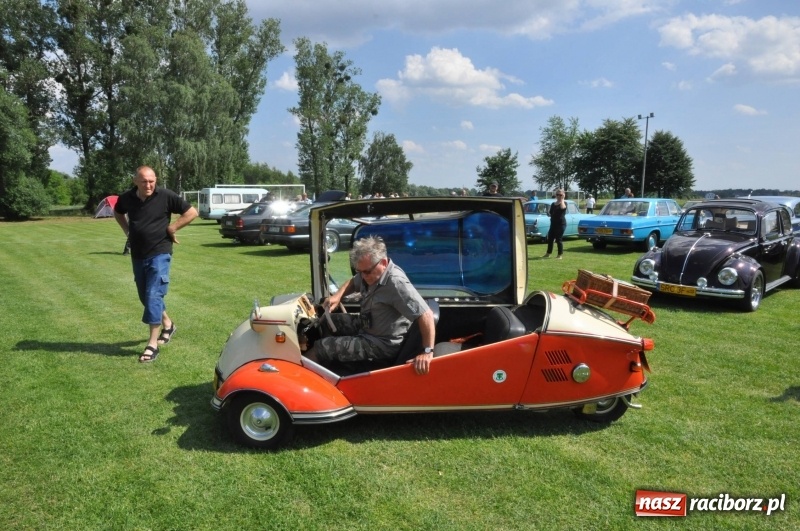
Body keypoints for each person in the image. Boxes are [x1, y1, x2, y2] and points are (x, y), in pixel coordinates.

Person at [304, 236, 437, 375]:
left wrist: (428, 351)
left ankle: (300, 378)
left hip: (381, 344)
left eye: (366, 272)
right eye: (359, 271)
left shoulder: (397, 284)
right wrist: (337, 296)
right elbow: (354, 282)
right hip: (368, 325)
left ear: (384, 263)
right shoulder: (370, 273)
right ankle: (334, 364)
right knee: (325, 321)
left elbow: (425, 314)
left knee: (321, 348)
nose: (363, 276)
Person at [114, 166, 198, 363]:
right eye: (144, 181)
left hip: (160, 253)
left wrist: (172, 227)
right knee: (145, 295)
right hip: (138, 254)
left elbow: (192, 212)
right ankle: (168, 324)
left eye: (152, 181)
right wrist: (128, 232)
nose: (149, 185)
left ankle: (152, 344)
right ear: (135, 181)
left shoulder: (166, 196)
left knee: (153, 294)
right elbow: (118, 213)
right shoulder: (127, 198)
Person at [543, 189, 567, 260]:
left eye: (560, 195)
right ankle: (548, 253)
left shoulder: (564, 203)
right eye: (557, 194)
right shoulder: (553, 204)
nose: (559, 196)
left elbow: (563, 208)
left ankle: (560, 255)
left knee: (558, 239)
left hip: (561, 224)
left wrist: (562, 199)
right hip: (553, 223)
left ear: (563, 195)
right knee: (550, 238)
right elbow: (550, 213)